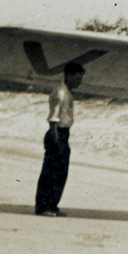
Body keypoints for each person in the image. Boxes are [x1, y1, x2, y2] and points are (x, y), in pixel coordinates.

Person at [35, 62, 86, 217]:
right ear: (68, 76)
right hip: (56, 133)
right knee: (50, 173)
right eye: (76, 78)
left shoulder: (68, 92)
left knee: (60, 173)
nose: (79, 82)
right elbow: (53, 119)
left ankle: (52, 205)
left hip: (64, 134)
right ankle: (43, 207)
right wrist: (56, 140)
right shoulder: (61, 93)